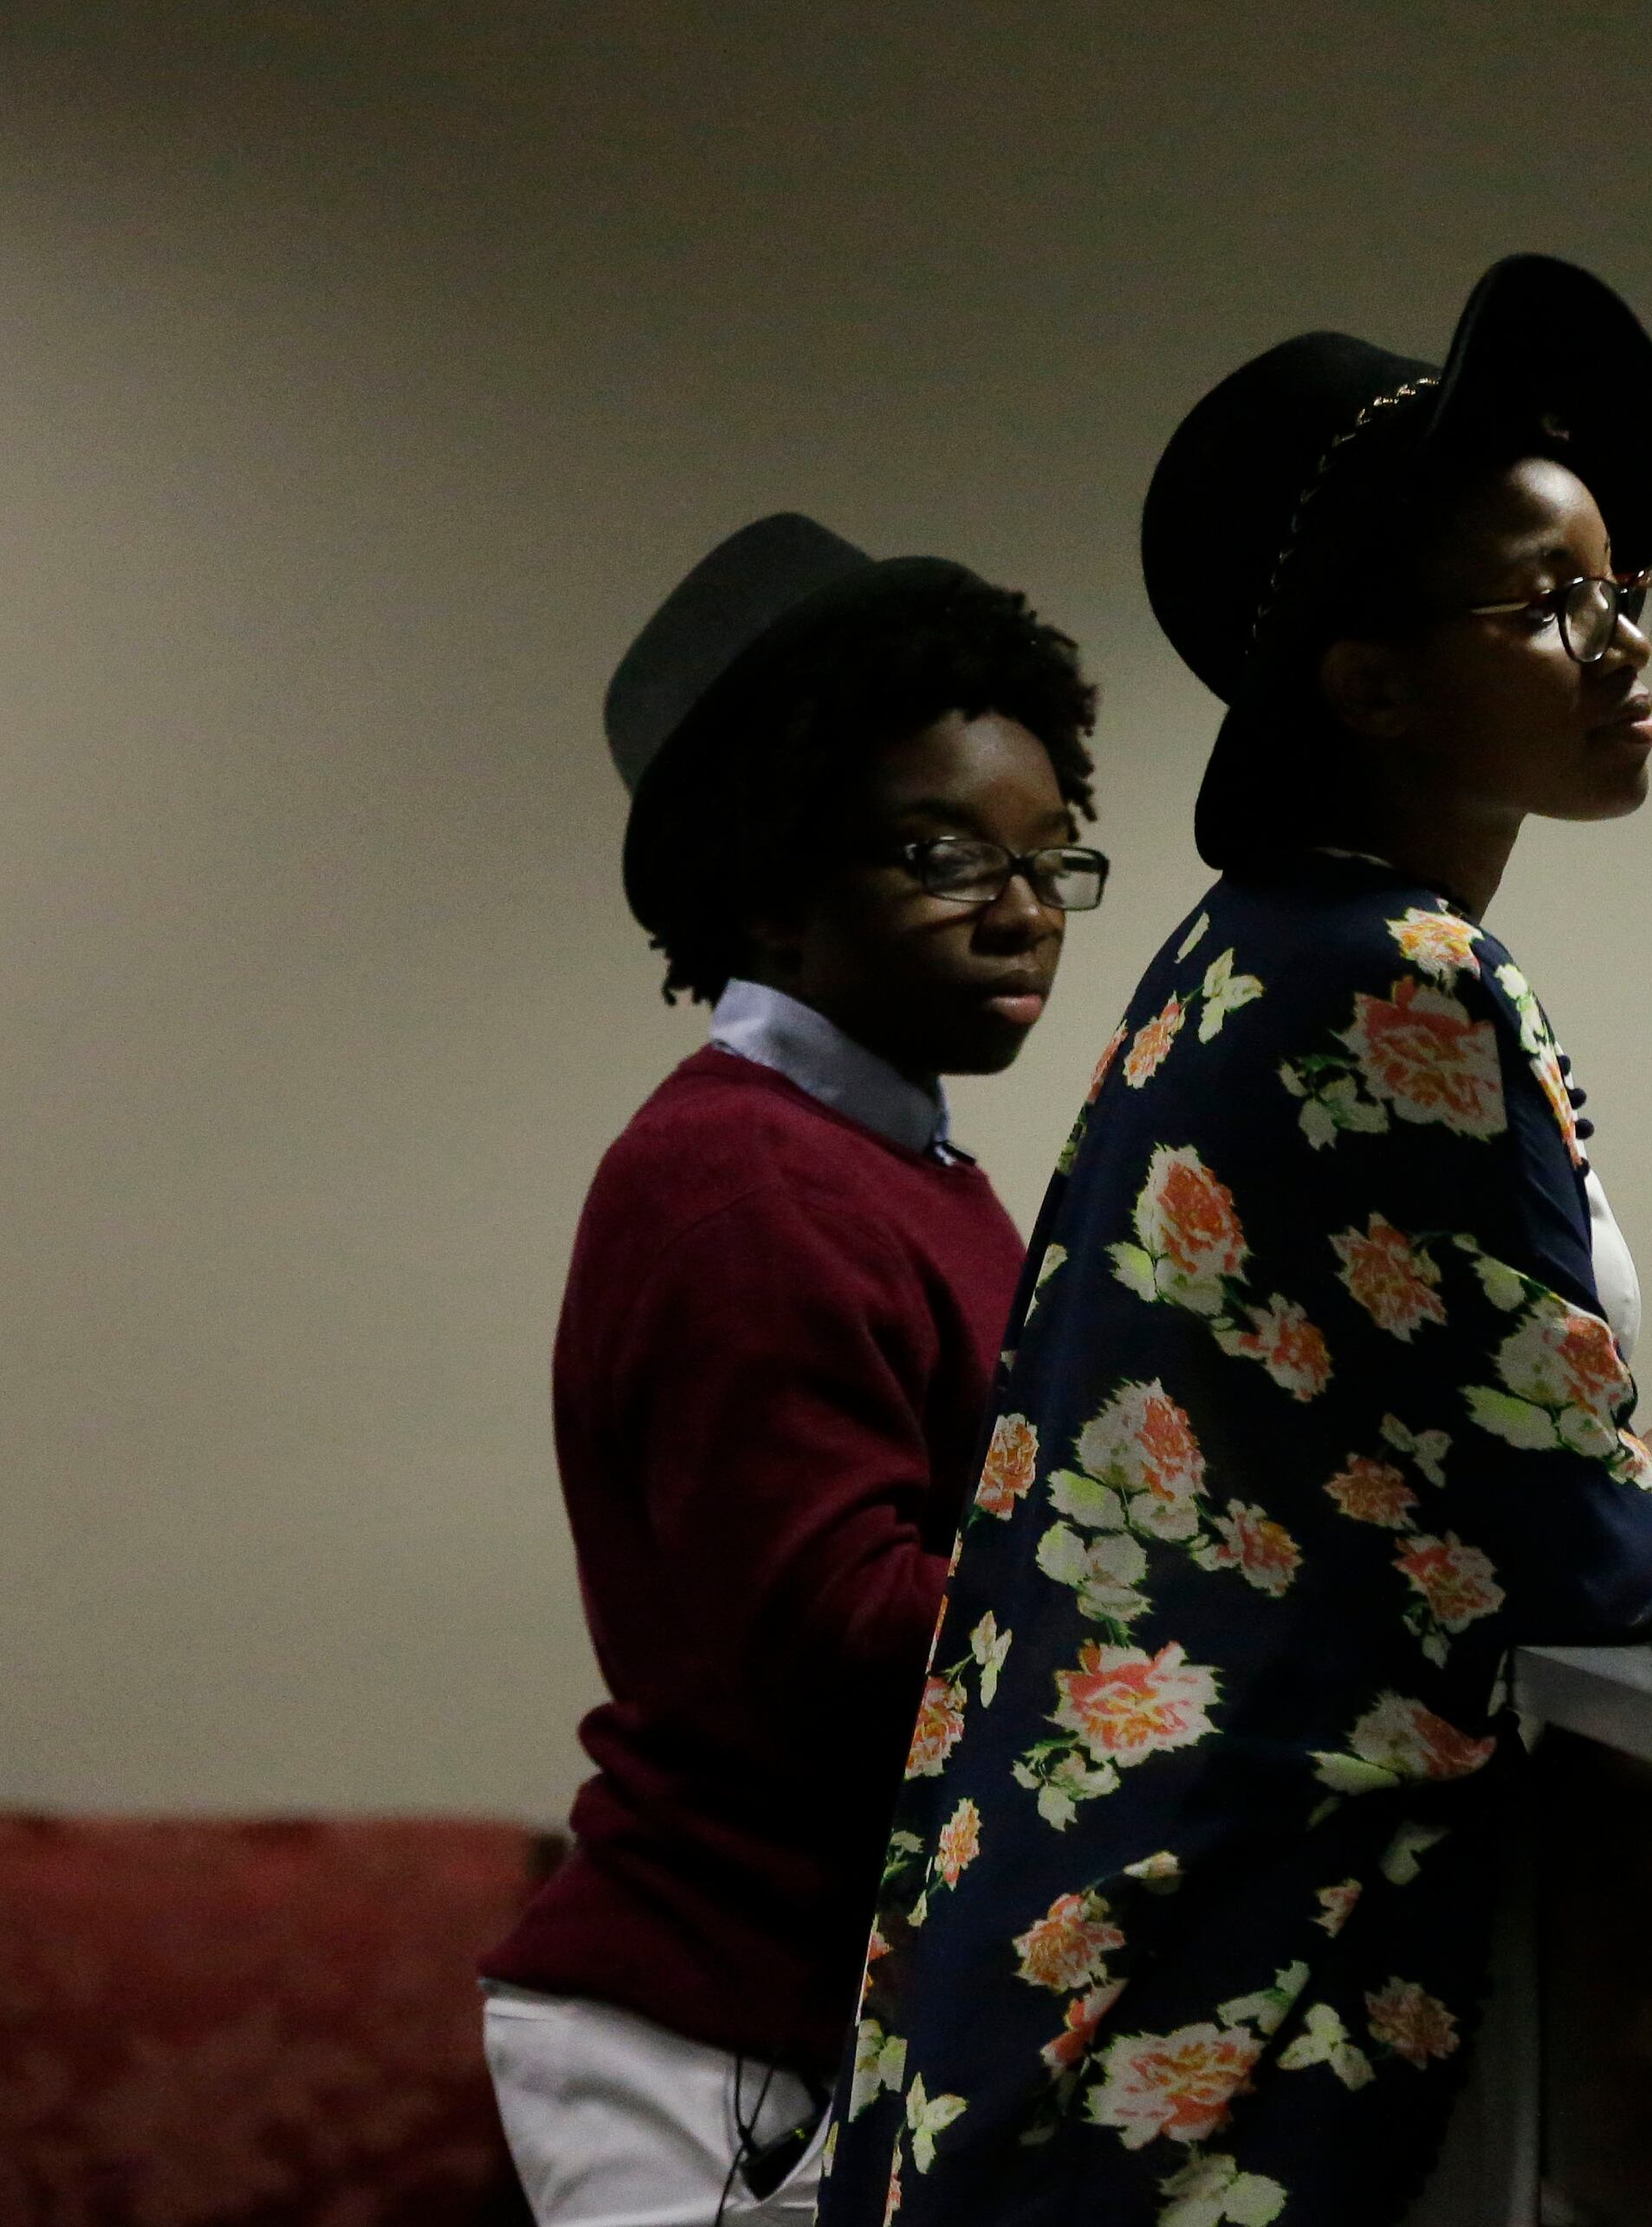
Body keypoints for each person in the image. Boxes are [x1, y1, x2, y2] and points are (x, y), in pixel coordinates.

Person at [822, 258, 1652, 2227]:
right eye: (1546, 604)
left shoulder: (1248, 954)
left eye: (1624, 588)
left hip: (1077, 1968)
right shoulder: (1400, 977)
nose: (1618, 644)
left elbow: (1408, 1505)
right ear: (1370, 678)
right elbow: (1556, 1537)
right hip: (1206, 2007)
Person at [481, 515, 1108, 2227]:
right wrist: (1181, 1592)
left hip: (795, 2010)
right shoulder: (747, 1184)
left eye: (1053, 858)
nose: (1024, 912)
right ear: (773, 892)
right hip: (709, 2036)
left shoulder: (901, 1166)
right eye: (945, 856)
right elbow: (842, 1643)